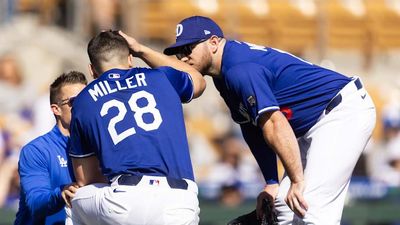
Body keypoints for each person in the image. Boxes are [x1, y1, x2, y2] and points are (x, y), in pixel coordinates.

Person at [164, 16, 376, 224]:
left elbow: (275, 124)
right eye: (178, 53)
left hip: (343, 112)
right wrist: (272, 182)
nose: (182, 58)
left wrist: (297, 180)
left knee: (309, 205)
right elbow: (252, 128)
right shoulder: (223, 76)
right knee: (284, 205)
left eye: (188, 48)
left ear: (213, 42)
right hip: (317, 122)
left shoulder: (239, 68)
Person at [64, 31, 206, 225]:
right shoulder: (162, 77)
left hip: (125, 200)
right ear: (130, 59)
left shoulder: (83, 100)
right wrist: (141, 49)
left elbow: (87, 178)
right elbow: (197, 79)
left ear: (91, 70)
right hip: (180, 202)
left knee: (76, 199)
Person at [14, 71, 87, 225]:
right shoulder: (36, 150)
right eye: (74, 101)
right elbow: (35, 204)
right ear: (56, 109)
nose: (83, 105)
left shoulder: (99, 145)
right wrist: (61, 193)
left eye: (87, 98)